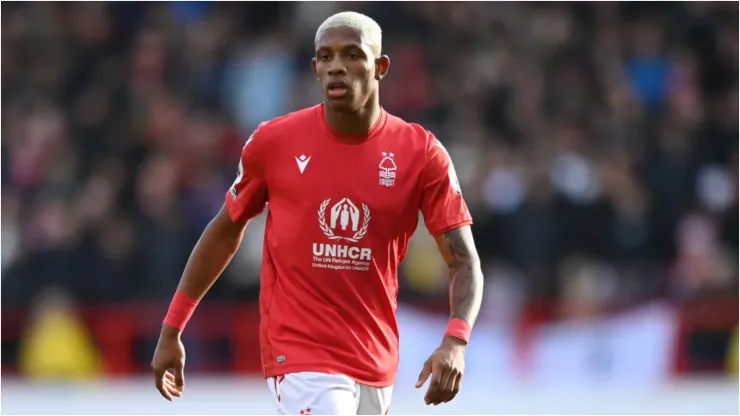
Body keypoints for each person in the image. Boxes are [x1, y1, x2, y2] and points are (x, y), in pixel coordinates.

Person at [151, 11, 484, 415]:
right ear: (314, 68)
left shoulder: (422, 154)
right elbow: (225, 229)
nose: (336, 66)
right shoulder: (274, 142)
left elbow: (463, 260)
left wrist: (456, 340)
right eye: (325, 57)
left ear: (380, 67)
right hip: (300, 354)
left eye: (352, 55)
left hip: (374, 359)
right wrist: (173, 328)